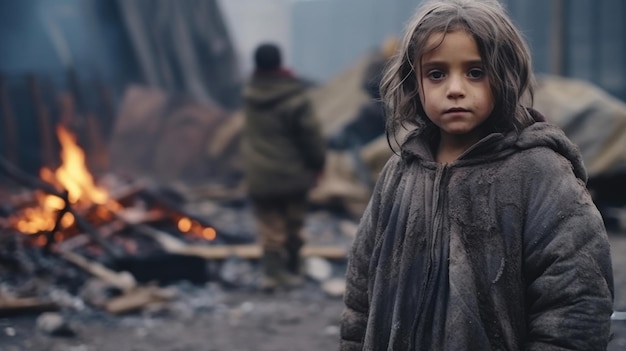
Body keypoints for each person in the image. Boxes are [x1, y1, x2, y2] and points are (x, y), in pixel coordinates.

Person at [339, 0, 614, 350]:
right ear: (414, 82)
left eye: (475, 72)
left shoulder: (539, 175)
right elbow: (360, 293)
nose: (455, 88)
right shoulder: (400, 173)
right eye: (436, 73)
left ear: (506, 76)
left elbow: (575, 306)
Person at [241, 43, 326, 292]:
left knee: (269, 228)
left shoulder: (249, 94)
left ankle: (272, 274)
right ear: (280, 63)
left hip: (260, 176)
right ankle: (293, 270)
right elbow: (311, 136)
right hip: (292, 174)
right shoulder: (295, 96)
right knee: (294, 225)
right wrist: (317, 164)